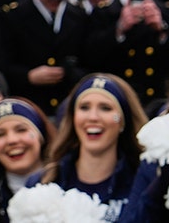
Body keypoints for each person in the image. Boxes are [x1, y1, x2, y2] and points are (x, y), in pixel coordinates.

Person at [30, 73, 147, 220]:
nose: (93, 117)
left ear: (123, 121)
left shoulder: (143, 184)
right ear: (73, 118)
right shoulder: (42, 183)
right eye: (84, 107)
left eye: (105, 108)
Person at [0, 98, 53, 223]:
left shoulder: (67, 182)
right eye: (0, 134)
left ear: (41, 136)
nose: (12, 140)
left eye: (21, 130)